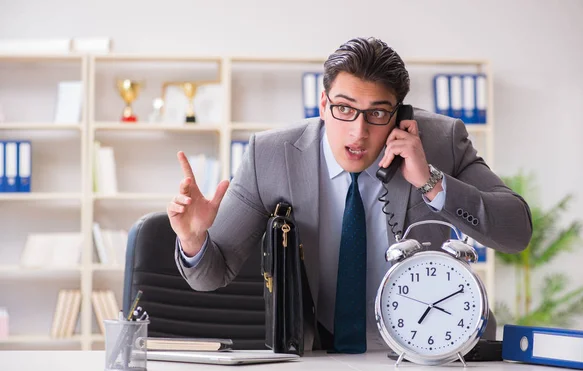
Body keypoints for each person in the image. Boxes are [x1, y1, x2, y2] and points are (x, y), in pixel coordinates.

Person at [167, 37, 532, 354]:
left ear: (400, 114)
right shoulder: (271, 155)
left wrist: (432, 182)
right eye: (344, 109)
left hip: (432, 349)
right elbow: (210, 276)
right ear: (323, 104)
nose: (358, 132)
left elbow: (517, 232)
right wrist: (194, 240)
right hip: (317, 354)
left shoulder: (440, 141)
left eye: (377, 112)